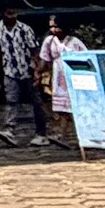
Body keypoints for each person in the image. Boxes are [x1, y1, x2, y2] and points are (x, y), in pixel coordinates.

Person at [0, 8, 50, 146]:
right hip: (10, 70)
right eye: (9, 13)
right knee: (11, 100)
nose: (12, 16)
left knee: (36, 101)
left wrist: (37, 71)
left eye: (14, 13)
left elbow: (34, 49)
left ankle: (41, 133)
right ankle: (9, 129)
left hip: (27, 69)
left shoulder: (25, 29)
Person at [38, 16, 87, 145]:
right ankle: (62, 135)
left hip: (74, 78)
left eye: (56, 27)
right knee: (62, 109)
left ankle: (82, 136)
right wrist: (38, 73)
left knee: (76, 109)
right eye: (51, 27)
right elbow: (44, 58)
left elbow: (86, 57)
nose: (54, 30)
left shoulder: (75, 42)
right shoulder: (49, 41)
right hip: (59, 79)